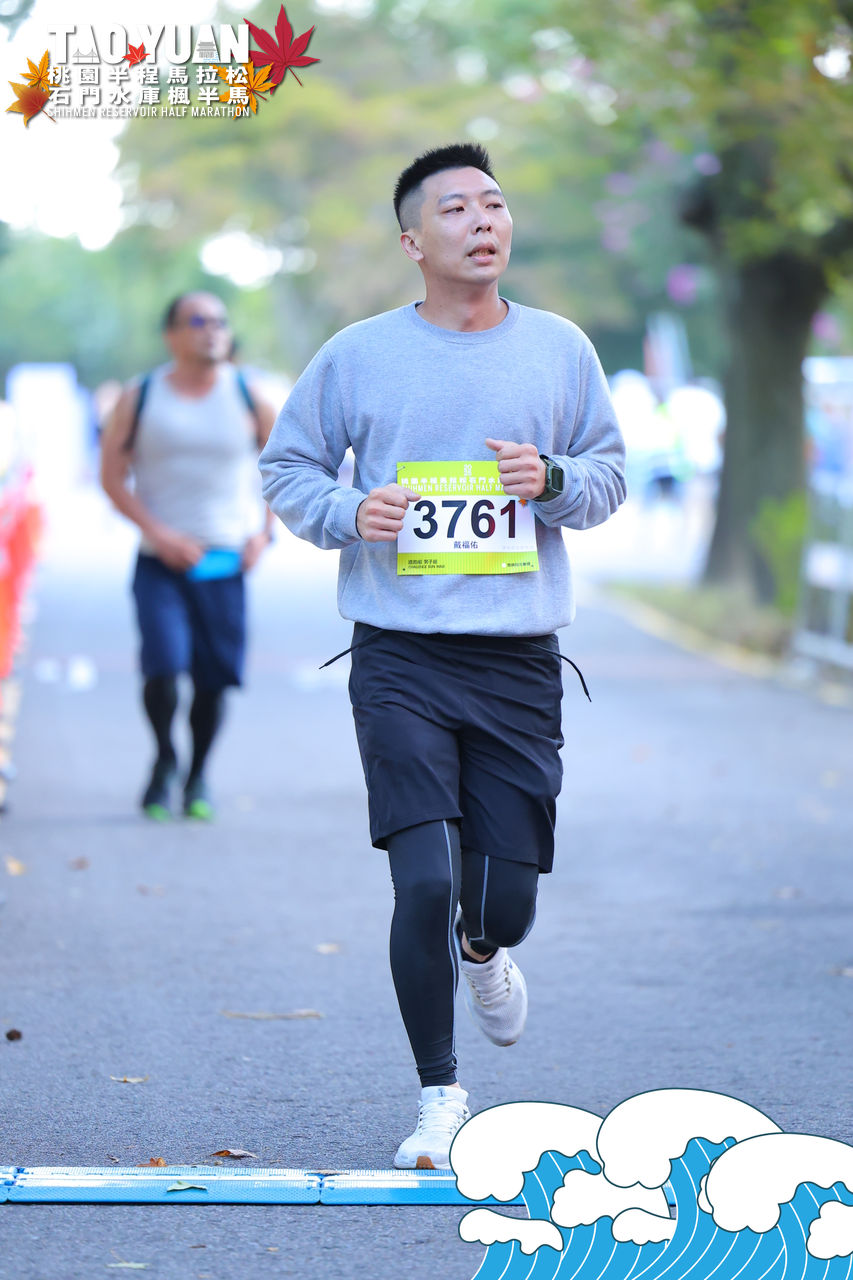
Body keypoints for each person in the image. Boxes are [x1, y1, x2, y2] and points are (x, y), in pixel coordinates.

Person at [259, 144, 626, 1168]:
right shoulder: (359, 354)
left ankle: (483, 946)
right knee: (420, 881)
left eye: (493, 204)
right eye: (456, 208)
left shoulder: (559, 349)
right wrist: (349, 510)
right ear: (413, 241)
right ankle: (438, 1096)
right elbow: (287, 467)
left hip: (516, 661)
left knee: (502, 901)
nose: (482, 221)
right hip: (400, 656)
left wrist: (552, 478)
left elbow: (607, 476)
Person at [101, 291, 277, 820]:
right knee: (164, 665)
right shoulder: (140, 396)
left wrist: (263, 533)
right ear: (171, 335)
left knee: (213, 677)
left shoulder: (248, 393)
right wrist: (160, 534)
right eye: (198, 321)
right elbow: (112, 477)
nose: (212, 330)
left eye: (219, 321)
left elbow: (283, 467)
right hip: (160, 561)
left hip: (225, 561)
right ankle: (164, 758)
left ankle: (198, 775)